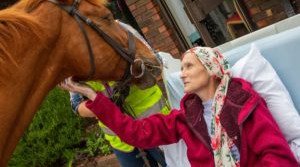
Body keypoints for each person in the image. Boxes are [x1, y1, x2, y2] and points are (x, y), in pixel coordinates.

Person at [59, 47, 298, 167]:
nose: (181, 74)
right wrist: (92, 95)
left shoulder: (244, 105)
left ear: (211, 69)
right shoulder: (185, 119)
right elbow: (136, 133)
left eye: (188, 67)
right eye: (181, 68)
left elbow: (278, 157)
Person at [64, 20, 169, 167]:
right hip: (121, 140)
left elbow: (156, 62)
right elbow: (76, 106)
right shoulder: (71, 60)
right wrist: (102, 104)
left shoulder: (119, 29)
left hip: (156, 123)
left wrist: (131, 71)